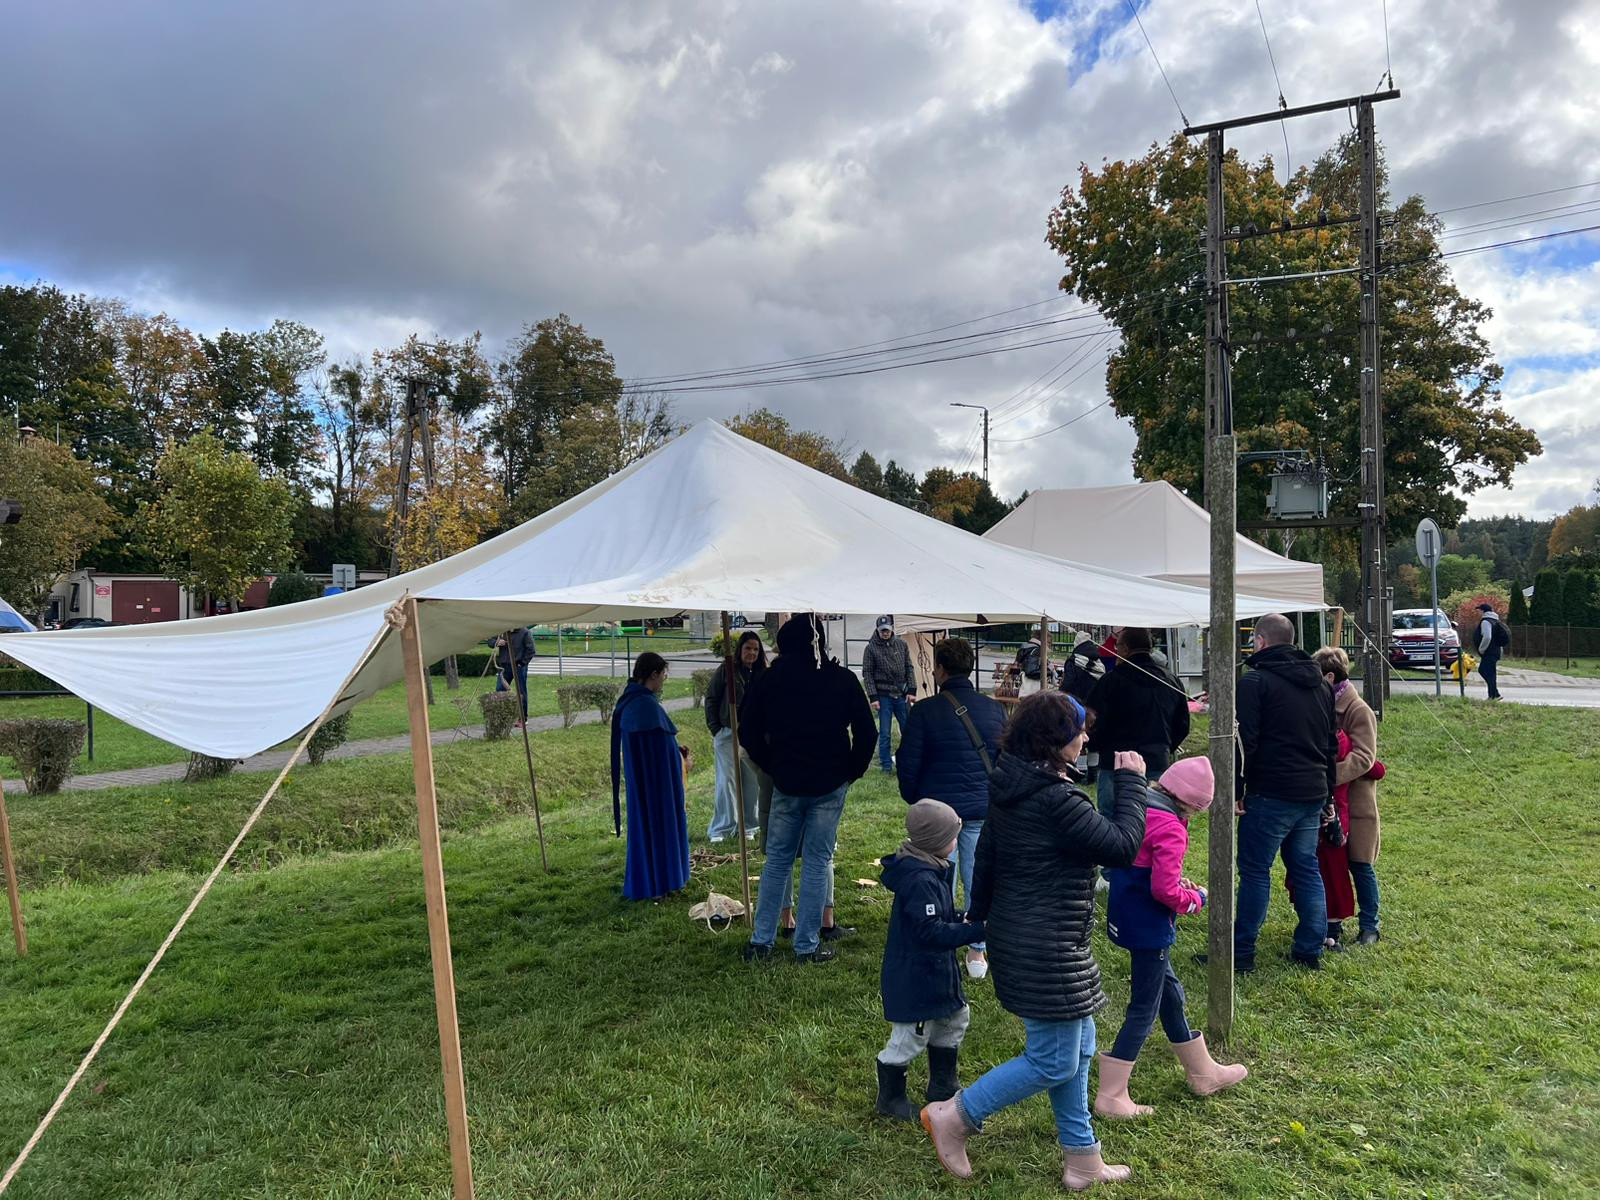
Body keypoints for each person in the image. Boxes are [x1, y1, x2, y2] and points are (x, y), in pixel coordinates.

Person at [921, 692, 1147, 1191]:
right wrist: (1131, 784)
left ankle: (1083, 1159)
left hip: (1031, 937)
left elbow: (988, 861)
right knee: (1053, 1058)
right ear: (1053, 739)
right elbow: (1122, 847)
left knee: (1079, 1048)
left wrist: (980, 923)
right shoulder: (1054, 800)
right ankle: (955, 1117)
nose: (1086, 736)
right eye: (1079, 729)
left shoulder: (1012, 785)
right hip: (1046, 945)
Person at [1097, 756, 1247, 1119]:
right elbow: (1164, 891)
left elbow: (1144, 867)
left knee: (1170, 993)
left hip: (1127, 913)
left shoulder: (1139, 810)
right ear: (1192, 805)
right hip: (1150, 925)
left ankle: (1202, 1072)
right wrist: (1193, 900)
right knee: (1144, 1008)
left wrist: (1176, 885)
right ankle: (1111, 1095)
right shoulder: (1172, 827)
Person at [740, 614, 876, 964]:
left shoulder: (771, 680)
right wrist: (852, 771)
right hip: (830, 781)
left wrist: (772, 764)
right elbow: (867, 731)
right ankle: (806, 946)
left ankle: (761, 942)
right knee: (817, 861)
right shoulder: (841, 679)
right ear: (819, 642)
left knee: (777, 861)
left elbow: (748, 731)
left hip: (788, 781)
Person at [1231, 613, 1339, 971]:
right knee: (1306, 868)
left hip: (1271, 791)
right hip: (1311, 789)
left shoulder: (1255, 682)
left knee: (1255, 870)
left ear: (1260, 641)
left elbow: (1245, 743)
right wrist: (1328, 796)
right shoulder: (1322, 685)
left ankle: (1242, 951)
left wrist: (1236, 789)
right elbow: (1329, 745)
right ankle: (1310, 948)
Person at [896, 637, 1006, 980]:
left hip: (939, 811)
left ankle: (940, 939)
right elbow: (1005, 761)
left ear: (939, 669)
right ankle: (977, 949)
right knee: (979, 879)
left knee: (936, 879)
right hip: (981, 806)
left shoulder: (925, 711)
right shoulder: (994, 709)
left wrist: (916, 800)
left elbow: (908, 764)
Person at [874, 799, 987, 1122]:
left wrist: (963, 918)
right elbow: (930, 932)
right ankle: (891, 1097)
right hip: (916, 977)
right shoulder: (919, 880)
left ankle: (943, 1082)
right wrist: (974, 931)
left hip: (937, 974)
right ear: (938, 842)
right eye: (953, 837)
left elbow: (940, 916)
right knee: (910, 1036)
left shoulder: (932, 870)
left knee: (954, 1018)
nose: (956, 844)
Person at [1312, 646, 1386, 947]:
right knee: (1331, 866)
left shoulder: (1358, 710)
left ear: (1330, 676)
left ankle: (1371, 925)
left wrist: (1325, 778)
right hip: (1330, 802)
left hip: (1355, 804)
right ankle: (1332, 923)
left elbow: (1365, 757)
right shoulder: (1321, 703)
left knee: (1361, 865)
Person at [1085, 626, 1191, 824]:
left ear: (1124, 649)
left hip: (1115, 761)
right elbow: (1182, 724)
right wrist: (1165, 745)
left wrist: (1098, 747)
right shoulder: (1171, 680)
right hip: (1155, 759)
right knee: (1155, 820)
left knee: (1111, 821)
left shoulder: (1110, 681)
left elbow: (1092, 721)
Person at [610, 652, 691, 901]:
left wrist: (675, 753)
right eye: (663, 676)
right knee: (656, 825)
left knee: (652, 825)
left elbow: (659, 744)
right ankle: (658, 883)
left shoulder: (635, 701)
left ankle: (661, 880)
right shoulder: (642, 705)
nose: (663, 681)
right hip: (656, 786)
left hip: (653, 782)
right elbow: (654, 747)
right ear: (653, 674)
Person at [705, 630, 765, 843]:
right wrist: (716, 728)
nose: (752, 652)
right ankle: (721, 828)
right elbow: (711, 698)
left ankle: (748, 824)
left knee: (751, 781)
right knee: (727, 780)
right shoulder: (727, 670)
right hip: (727, 732)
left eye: (756, 649)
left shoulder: (761, 674)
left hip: (751, 735)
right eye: (748, 648)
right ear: (740, 649)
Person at [863, 615, 918, 773]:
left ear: (892, 629)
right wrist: (873, 697)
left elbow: (909, 667)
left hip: (901, 693)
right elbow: (868, 673)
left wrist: (912, 690)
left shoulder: (902, 644)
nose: (885, 633)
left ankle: (909, 760)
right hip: (883, 694)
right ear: (878, 631)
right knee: (885, 732)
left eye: (887, 630)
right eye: (882, 631)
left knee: (907, 729)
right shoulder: (871, 648)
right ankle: (885, 765)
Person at [494, 626, 536, 725]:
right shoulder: (502, 631)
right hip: (504, 667)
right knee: (500, 690)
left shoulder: (525, 632)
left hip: (519, 667)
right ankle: (503, 717)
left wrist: (522, 663)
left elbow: (531, 650)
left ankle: (523, 719)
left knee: (521, 692)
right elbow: (490, 641)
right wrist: (496, 642)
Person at [1476, 602, 1509, 700]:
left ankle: (1493, 695)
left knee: (1484, 671)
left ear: (1482, 611)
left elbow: (1487, 637)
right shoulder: (1495, 621)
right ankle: (1494, 694)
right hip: (1496, 651)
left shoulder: (1486, 622)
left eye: (1479, 610)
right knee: (1490, 672)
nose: (1478, 612)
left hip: (1489, 652)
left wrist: (1481, 649)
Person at [1013, 631, 1045, 697]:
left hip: (1022, 687)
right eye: (1049, 642)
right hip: (1033, 691)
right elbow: (1031, 671)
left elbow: (1017, 665)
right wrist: (1047, 672)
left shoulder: (1024, 648)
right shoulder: (1037, 650)